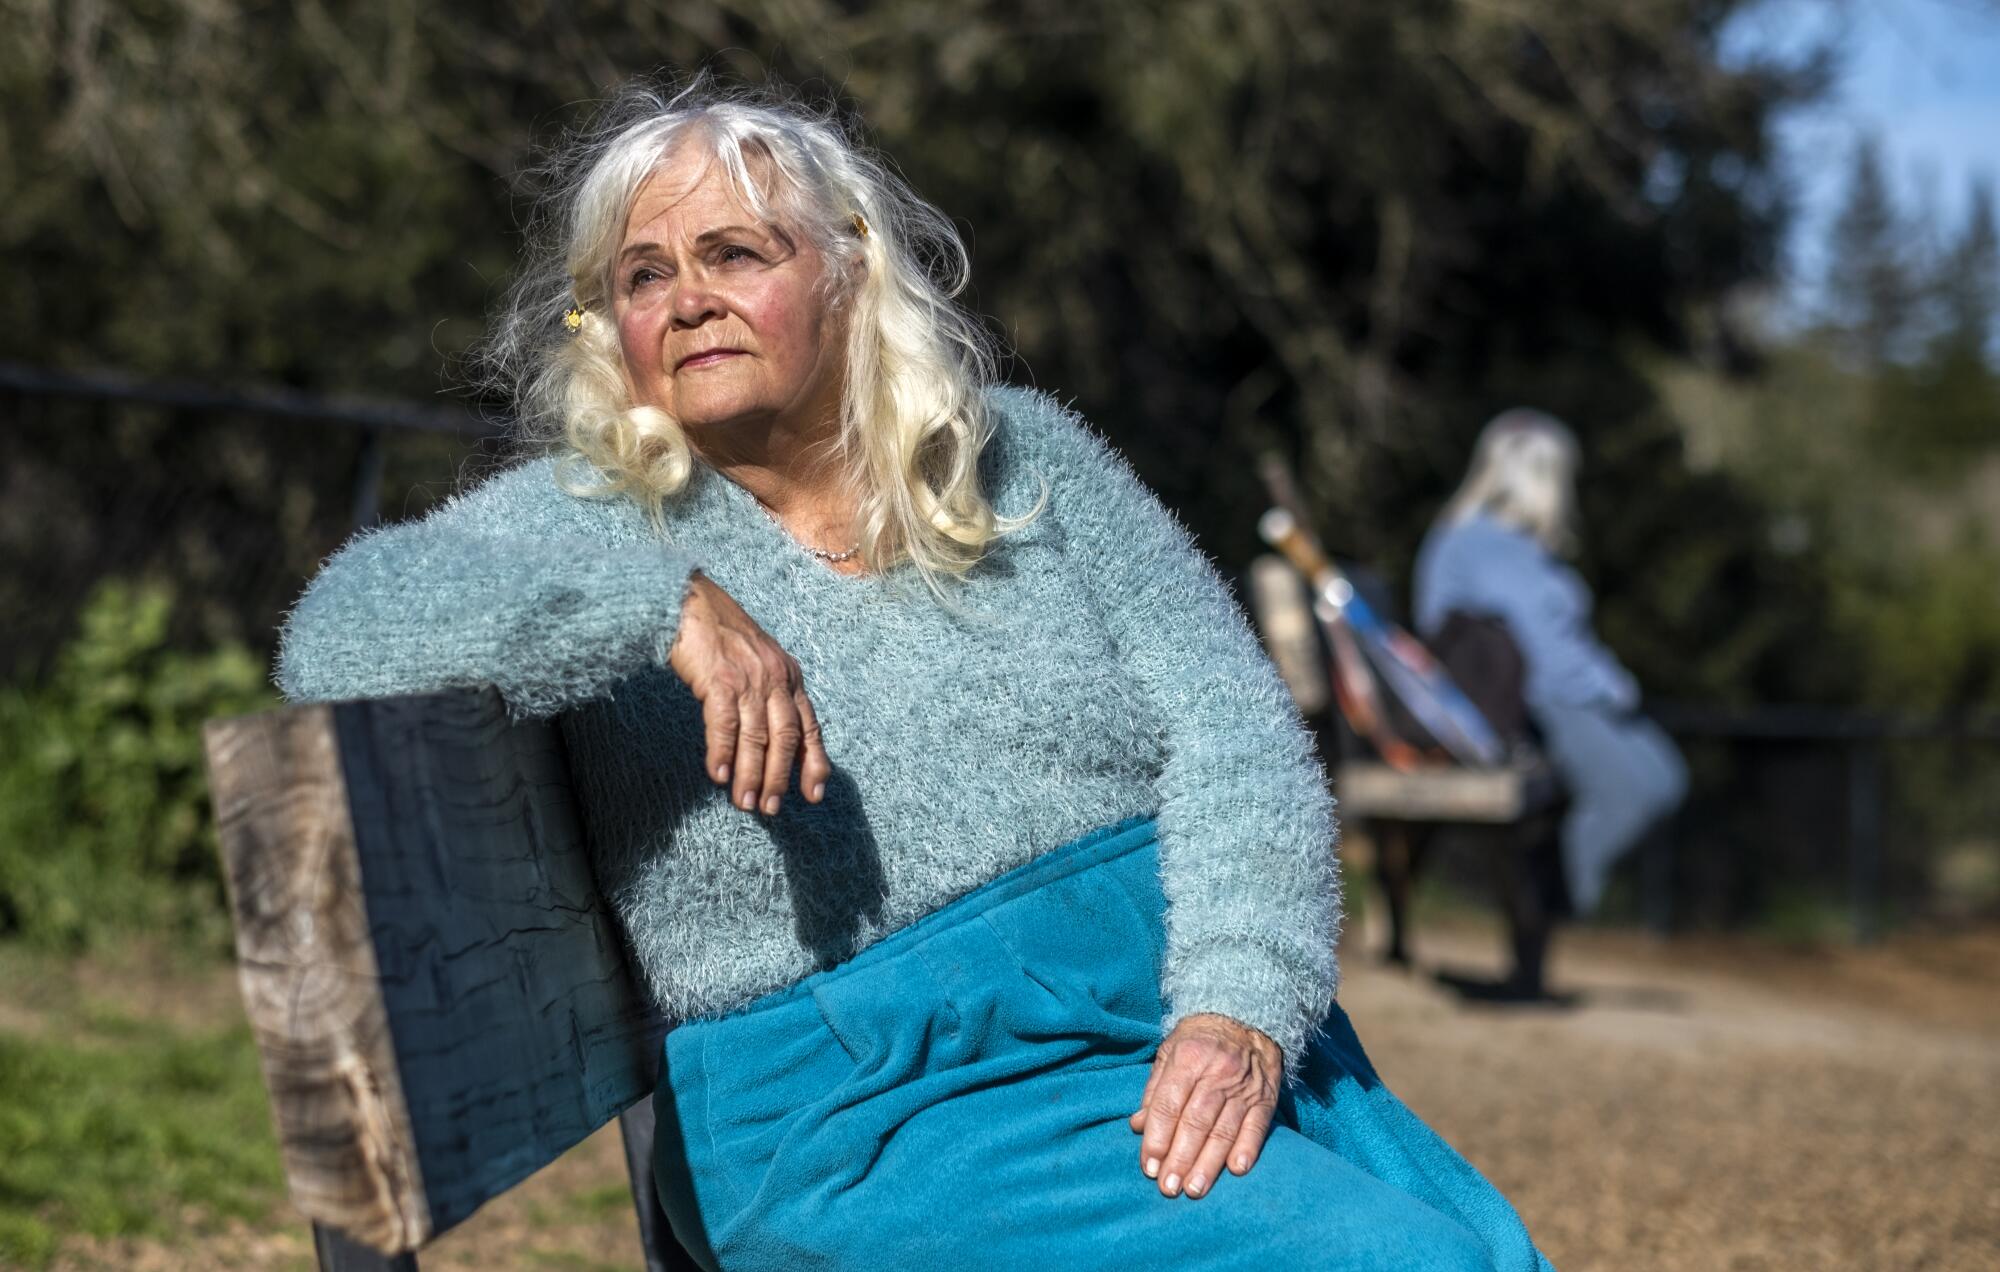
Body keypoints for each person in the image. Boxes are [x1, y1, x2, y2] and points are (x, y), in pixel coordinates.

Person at [278, 78, 1551, 1272]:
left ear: (849, 267)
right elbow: (337, 634)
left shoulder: (1026, 461)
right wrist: (648, 604)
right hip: (873, 1109)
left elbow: (1237, 744)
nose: (688, 301)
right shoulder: (596, 521)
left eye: (735, 254)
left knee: (1485, 1252)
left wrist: (1237, 1004)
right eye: (643, 276)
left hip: (1176, 1012)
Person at [1414, 409, 1688, 917]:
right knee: (1629, 795)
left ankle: (1552, 890)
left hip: (1566, 691)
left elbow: (1564, 640)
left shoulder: (1520, 546)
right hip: (1530, 702)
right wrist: (1606, 689)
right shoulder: (1482, 542)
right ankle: (1552, 898)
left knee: (1665, 777)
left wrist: (1611, 684)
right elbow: (1545, 655)